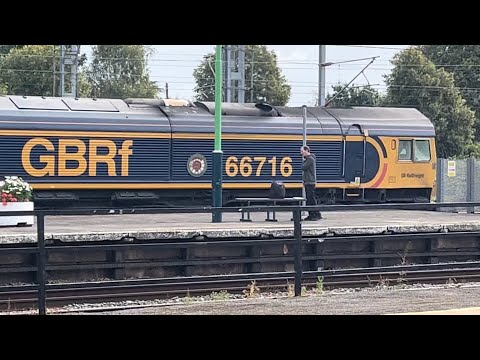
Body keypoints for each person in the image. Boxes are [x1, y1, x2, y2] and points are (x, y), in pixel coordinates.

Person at [301, 145, 321, 221]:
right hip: (308, 182)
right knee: (310, 199)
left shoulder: (310, 159)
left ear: (306, 150)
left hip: (310, 182)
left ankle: (315, 214)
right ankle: (312, 214)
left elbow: (303, 167)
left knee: (311, 199)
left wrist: (304, 161)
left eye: (302, 151)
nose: (301, 153)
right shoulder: (308, 159)